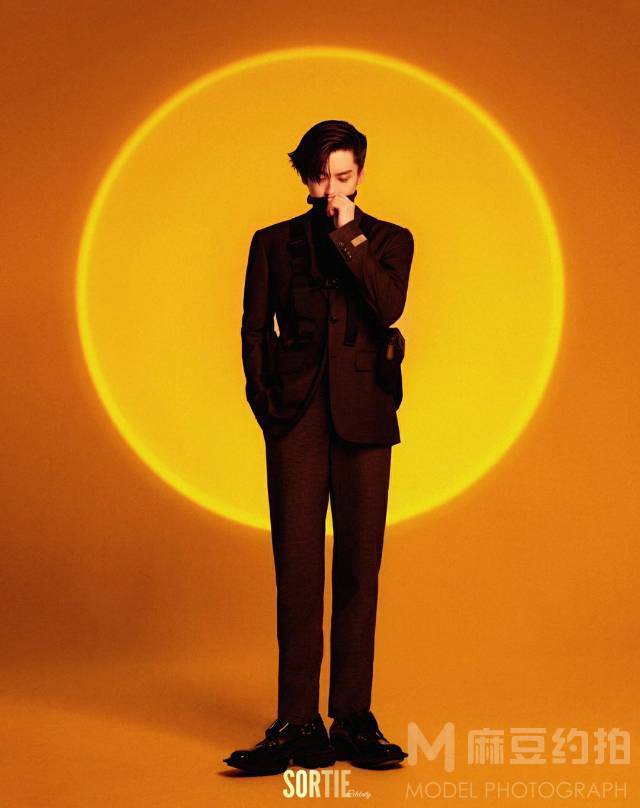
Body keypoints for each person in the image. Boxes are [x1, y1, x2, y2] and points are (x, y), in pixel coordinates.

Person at [224, 120, 415, 775]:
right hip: (296, 419)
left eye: (343, 176)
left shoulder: (388, 240)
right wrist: (268, 407)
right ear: (305, 177)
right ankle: (298, 723)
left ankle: (353, 719)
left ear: (359, 174)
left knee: (361, 568)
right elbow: (253, 330)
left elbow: (387, 306)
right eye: (321, 176)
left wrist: (349, 233)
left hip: (365, 416)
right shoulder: (272, 243)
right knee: (298, 569)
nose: (332, 187)